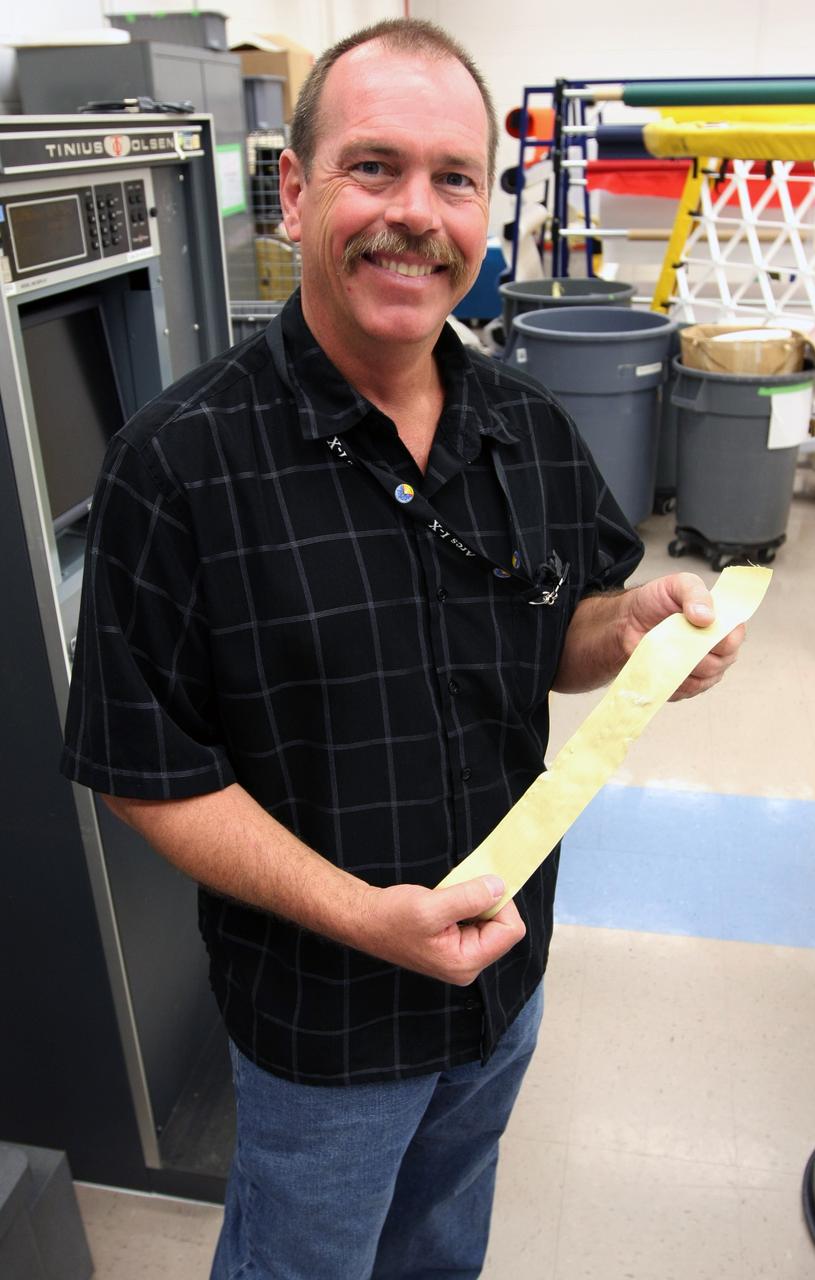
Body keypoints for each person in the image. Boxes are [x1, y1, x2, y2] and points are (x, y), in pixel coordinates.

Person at [61, 17, 746, 1280]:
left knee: (438, 1250)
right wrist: (364, 918)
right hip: (322, 1027)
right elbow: (138, 764)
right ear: (294, 187)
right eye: (372, 167)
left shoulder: (526, 428)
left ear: (488, 205)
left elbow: (564, 631)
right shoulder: (180, 464)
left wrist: (630, 629)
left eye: (453, 177)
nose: (413, 214)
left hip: (503, 978)